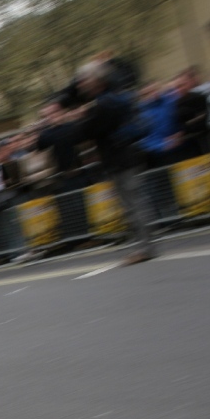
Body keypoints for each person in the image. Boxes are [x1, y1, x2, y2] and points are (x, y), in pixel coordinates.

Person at [73, 57, 158, 265]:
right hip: (121, 157)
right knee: (132, 203)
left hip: (121, 158)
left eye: (84, 79)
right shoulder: (112, 97)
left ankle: (144, 247)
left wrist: (83, 117)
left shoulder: (105, 103)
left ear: (96, 80)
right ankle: (142, 245)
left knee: (133, 204)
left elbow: (87, 131)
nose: (81, 84)